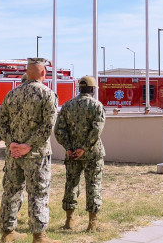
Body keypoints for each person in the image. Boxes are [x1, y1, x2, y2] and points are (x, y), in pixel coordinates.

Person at [0, 58, 59, 243]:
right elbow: (48, 126)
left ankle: (7, 233)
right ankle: (39, 236)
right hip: (36, 155)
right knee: (38, 193)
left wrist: (12, 144)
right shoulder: (47, 94)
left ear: (27, 72)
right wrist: (28, 145)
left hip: (14, 154)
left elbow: (1, 122)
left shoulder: (12, 94)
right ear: (43, 73)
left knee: (11, 192)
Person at [55, 76, 106, 233]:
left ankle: (69, 221)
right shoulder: (96, 105)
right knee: (93, 185)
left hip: (72, 155)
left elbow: (58, 130)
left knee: (71, 184)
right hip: (92, 153)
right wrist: (84, 147)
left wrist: (69, 148)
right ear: (92, 89)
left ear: (79, 88)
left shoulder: (67, 106)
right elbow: (97, 129)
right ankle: (92, 223)